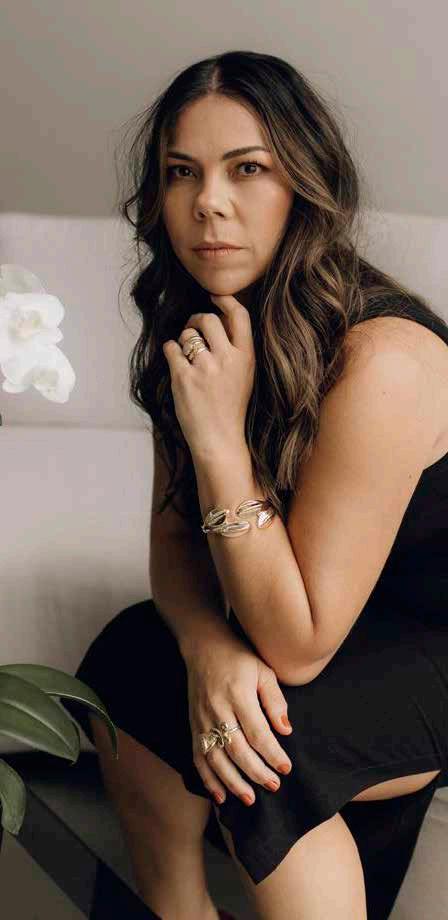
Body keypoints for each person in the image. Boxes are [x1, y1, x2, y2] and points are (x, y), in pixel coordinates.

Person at [63, 49, 448, 919]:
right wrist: (209, 648)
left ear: (305, 185)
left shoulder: (384, 360)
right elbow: (173, 544)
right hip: (335, 621)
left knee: (266, 744)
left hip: (430, 639)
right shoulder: (196, 325)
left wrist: (219, 442)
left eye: (247, 169)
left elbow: (299, 646)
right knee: (129, 652)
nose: (209, 202)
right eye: (181, 172)